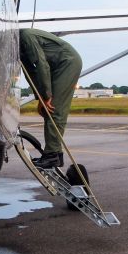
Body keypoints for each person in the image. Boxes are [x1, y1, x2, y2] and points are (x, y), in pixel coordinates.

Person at [19, 28, 83, 169]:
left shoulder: (24, 37)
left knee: (54, 109)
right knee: (47, 109)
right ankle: (55, 154)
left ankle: (52, 156)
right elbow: (30, 71)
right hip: (56, 66)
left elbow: (41, 64)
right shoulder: (19, 46)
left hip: (67, 63)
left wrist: (46, 96)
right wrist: (40, 97)